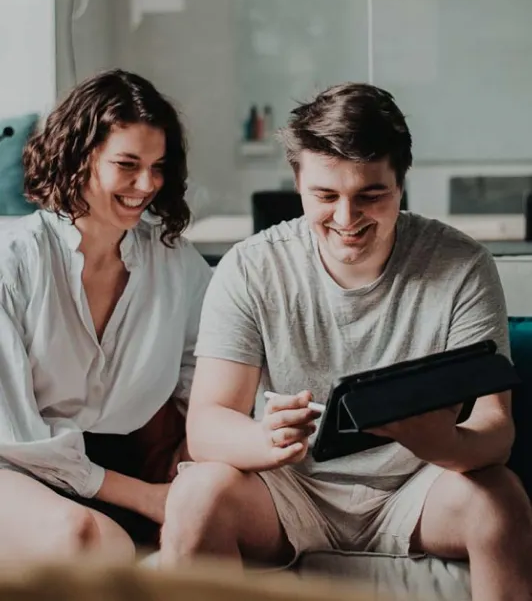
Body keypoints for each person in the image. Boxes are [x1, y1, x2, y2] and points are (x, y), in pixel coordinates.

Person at [160, 83, 532, 601]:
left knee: (502, 502)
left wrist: (444, 443)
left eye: (370, 195)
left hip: (418, 489)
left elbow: (496, 431)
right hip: (290, 490)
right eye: (326, 196)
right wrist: (265, 441)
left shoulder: (463, 265)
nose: (346, 218)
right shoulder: (249, 268)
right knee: (194, 495)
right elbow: (206, 426)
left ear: (401, 184)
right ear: (298, 183)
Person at [0, 69, 212, 561]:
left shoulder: (172, 262)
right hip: (16, 464)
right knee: (86, 541)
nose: (146, 185)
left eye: (158, 167)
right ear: (79, 156)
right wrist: (147, 498)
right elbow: (15, 437)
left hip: (124, 462)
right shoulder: (15, 265)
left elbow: (211, 360)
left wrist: (187, 454)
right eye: (128, 164)